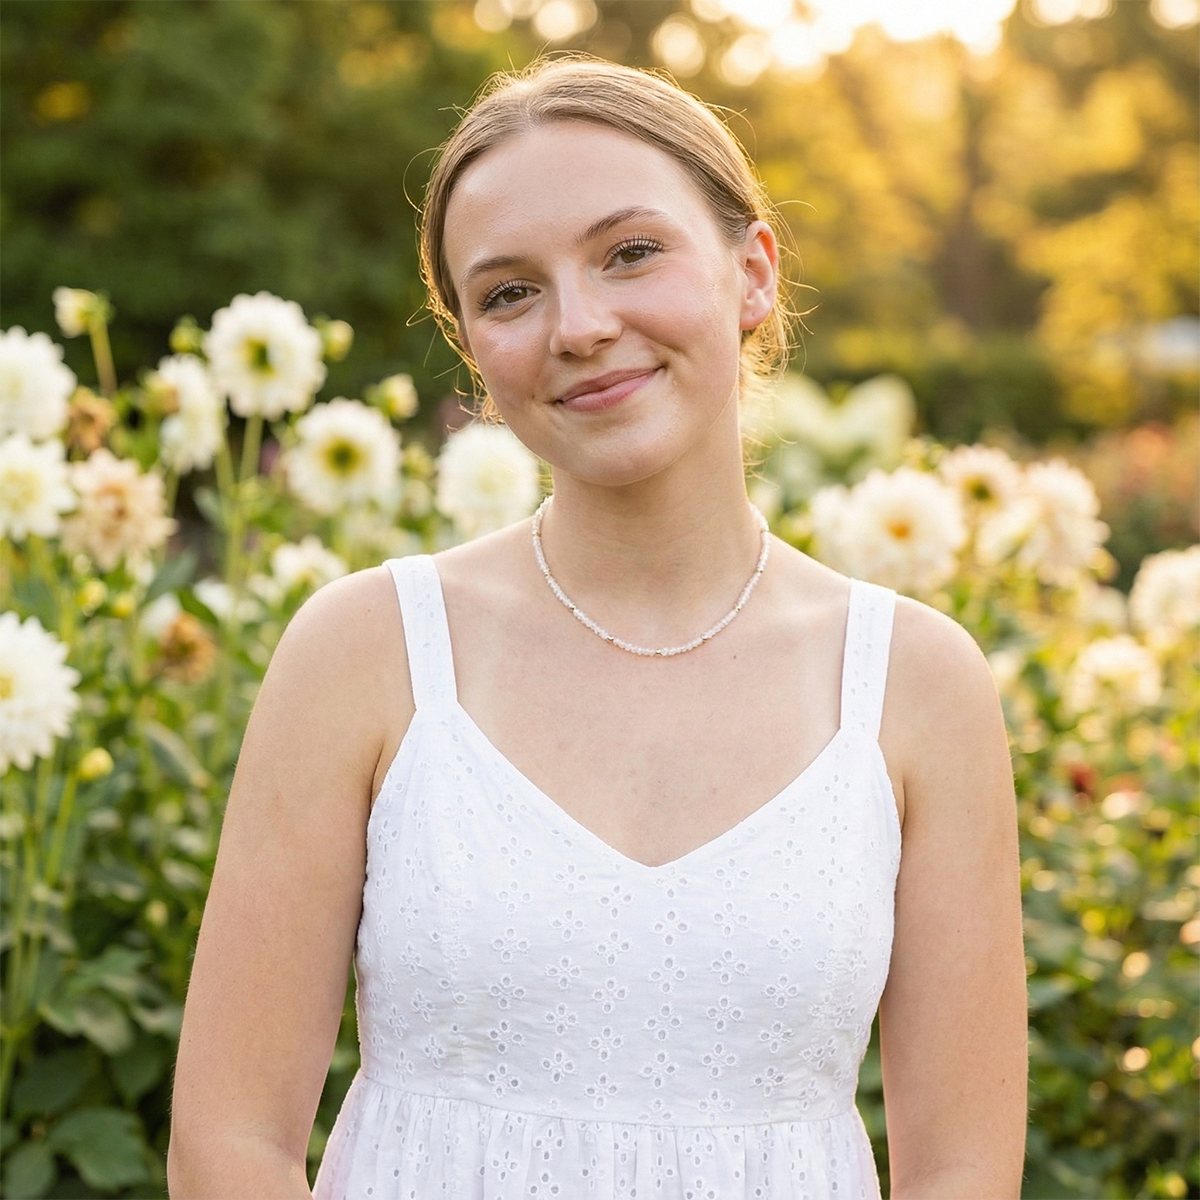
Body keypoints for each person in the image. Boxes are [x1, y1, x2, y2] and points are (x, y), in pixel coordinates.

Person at [167, 57, 1027, 1200]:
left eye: (629, 252)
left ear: (753, 273)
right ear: (473, 352)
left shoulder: (915, 685)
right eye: (509, 293)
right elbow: (227, 1144)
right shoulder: (366, 654)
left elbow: (963, 1172)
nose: (578, 326)